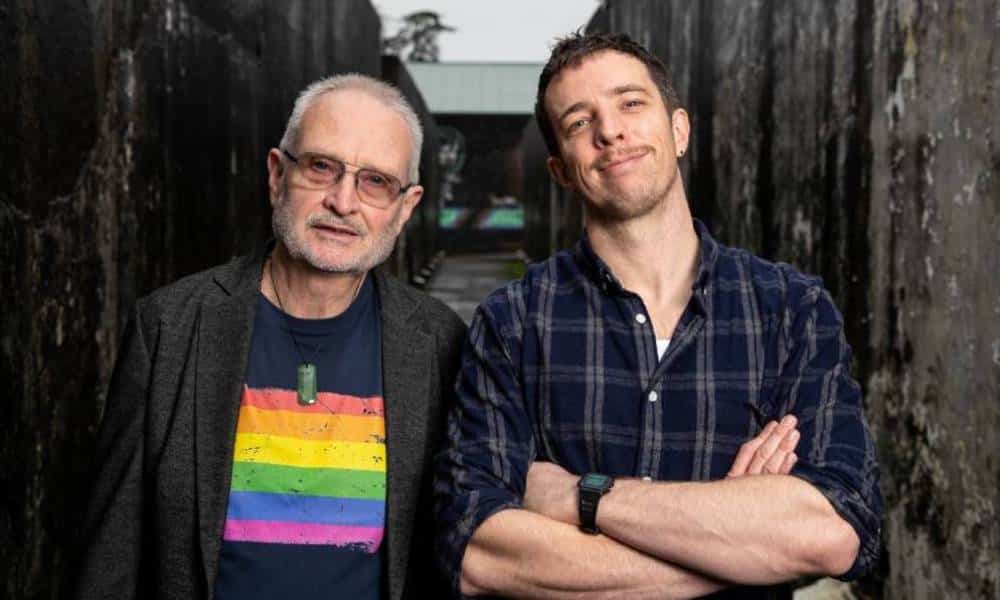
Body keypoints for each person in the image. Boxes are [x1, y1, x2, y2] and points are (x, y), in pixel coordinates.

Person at [435, 32, 882, 598]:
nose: (610, 131)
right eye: (580, 121)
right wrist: (736, 545)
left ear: (679, 131)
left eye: (630, 103)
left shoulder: (791, 310)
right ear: (560, 170)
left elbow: (835, 530)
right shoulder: (512, 322)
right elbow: (477, 551)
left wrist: (582, 497)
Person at [75, 74, 466, 600]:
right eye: (321, 167)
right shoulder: (169, 326)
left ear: (406, 207)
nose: (343, 202)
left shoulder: (440, 344)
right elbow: (111, 557)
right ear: (278, 175)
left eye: (375, 181)